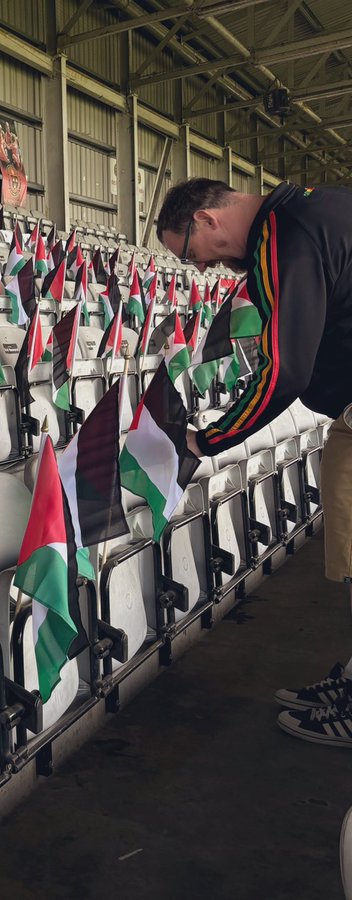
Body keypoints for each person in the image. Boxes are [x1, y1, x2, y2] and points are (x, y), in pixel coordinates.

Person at [155, 177, 352, 746]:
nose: (199, 271)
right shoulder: (312, 207)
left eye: (190, 254)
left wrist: (206, 440)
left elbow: (285, 370)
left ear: (209, 220)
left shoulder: (286, 236)